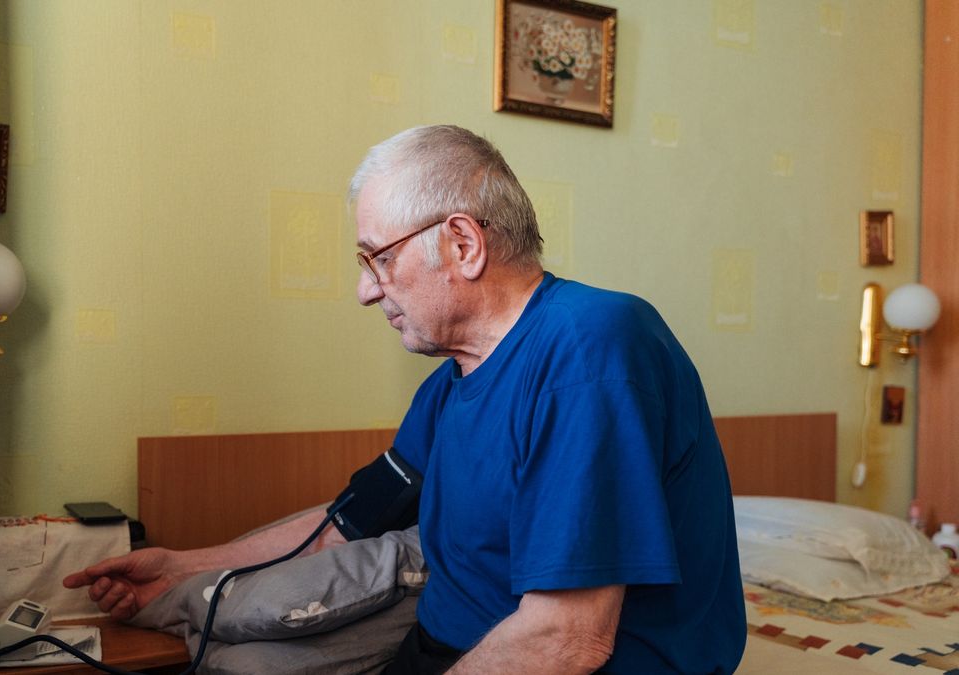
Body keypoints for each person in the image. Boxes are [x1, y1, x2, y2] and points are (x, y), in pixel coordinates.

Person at [64, 125, 746, 674]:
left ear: (463, 243)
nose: (366, 291)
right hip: (442, 647)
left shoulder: (591, 348)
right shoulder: (447, 387)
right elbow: (345, 525)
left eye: (379, 259)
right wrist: (179, 565)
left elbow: (567, 639)